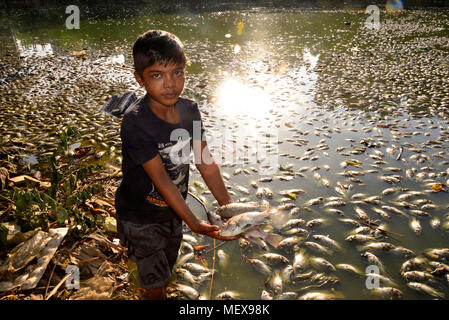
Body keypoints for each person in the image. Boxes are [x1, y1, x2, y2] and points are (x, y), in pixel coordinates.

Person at [114, 30, 237, 300]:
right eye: (157, 75)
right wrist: (192, 220)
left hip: (173, 210)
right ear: (139, 79)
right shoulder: (135, 122)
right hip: (141, 216)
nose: (170, 83)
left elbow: (206, 163)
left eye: (178, 72)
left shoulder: (190, 110)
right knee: (154, 282)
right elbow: (162, 179)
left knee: (166, 264)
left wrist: (230, 210)